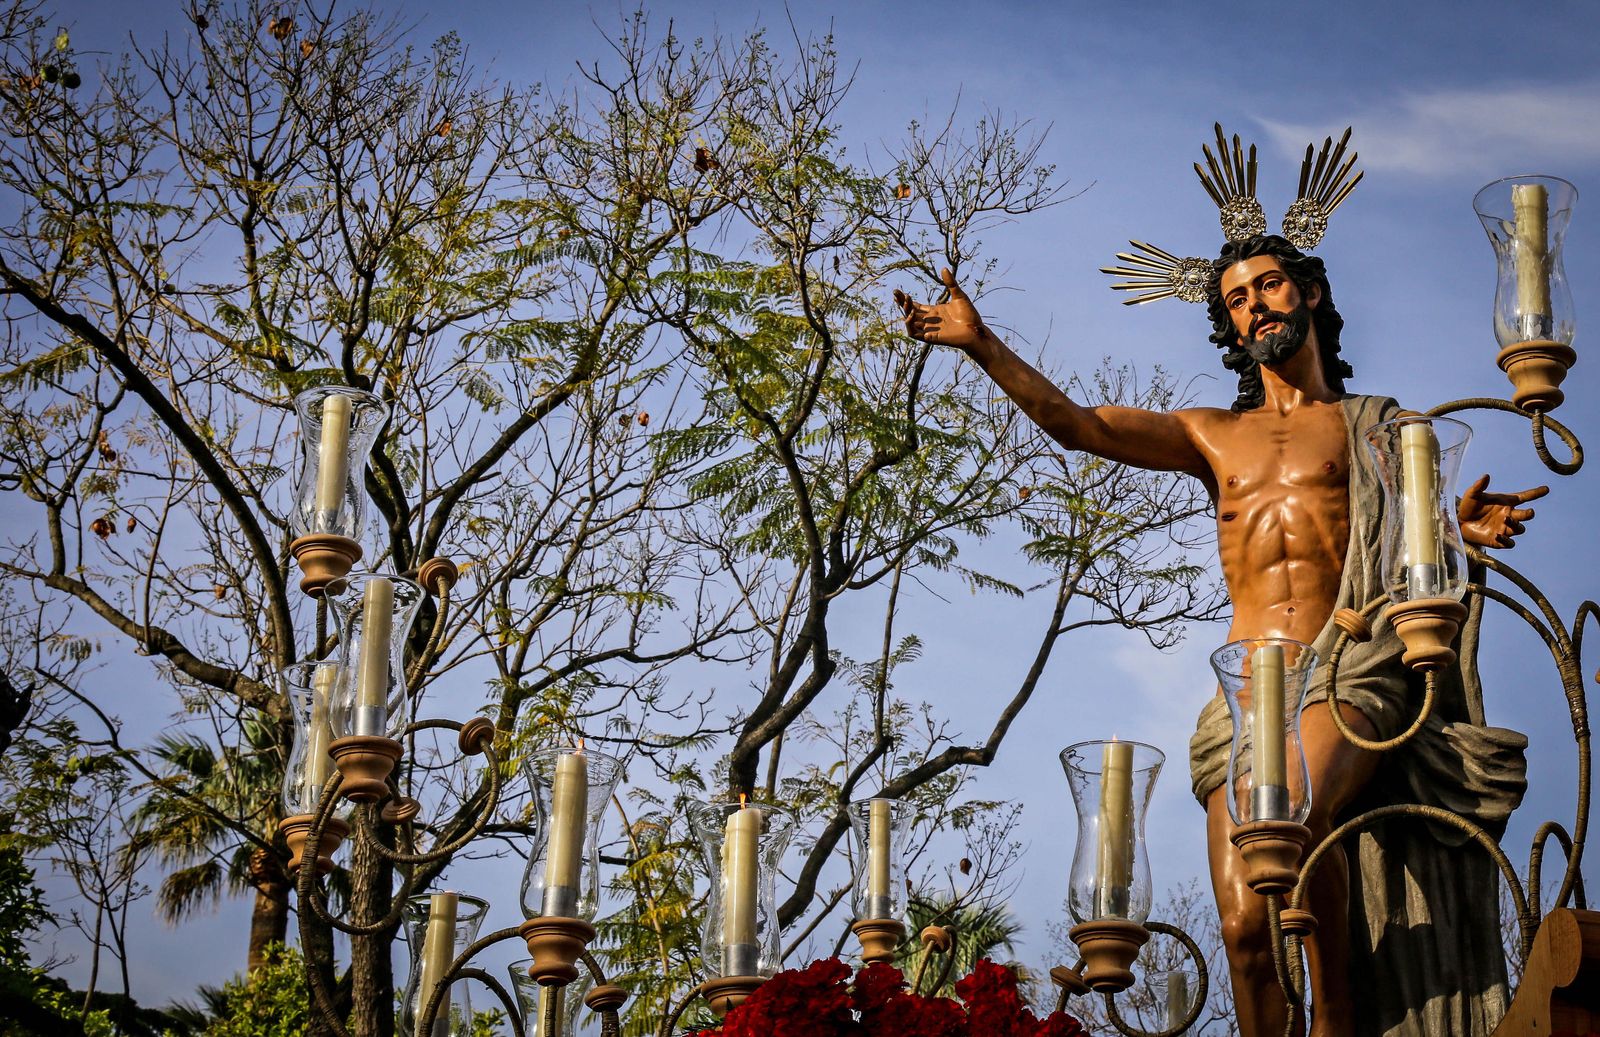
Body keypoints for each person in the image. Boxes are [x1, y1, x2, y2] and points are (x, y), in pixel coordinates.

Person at [895, 233, 1543, 1037]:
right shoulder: (1211, 435)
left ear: (1308, 294)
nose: (1255, 305)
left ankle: (1339, 1018)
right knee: (1242, 928)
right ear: (1228, 324)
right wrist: (983, 346)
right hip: (1241, 695)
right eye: (1237, 298)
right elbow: (1080, 425)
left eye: (1268, 286)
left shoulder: (1369, 427)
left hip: (1344, 669)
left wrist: (1450, 530)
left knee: (1293, 818)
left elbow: (1404, 537)